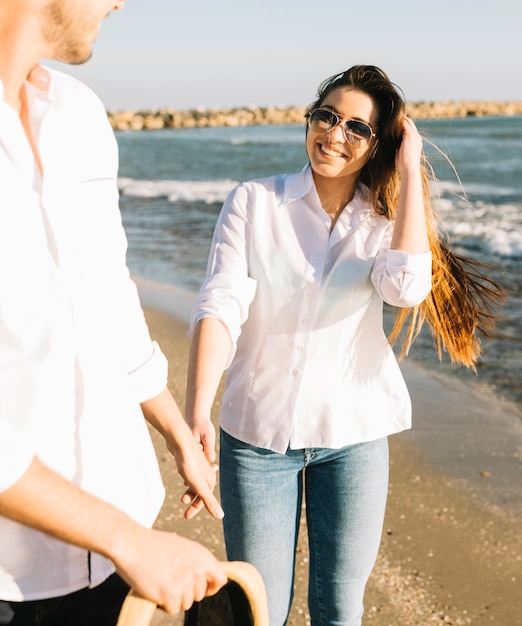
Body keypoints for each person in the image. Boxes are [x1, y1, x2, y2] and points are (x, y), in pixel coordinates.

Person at [0, 1, 228, 624]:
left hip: (112, 562)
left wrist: (176, 431)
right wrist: (128, 540)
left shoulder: (77, 115)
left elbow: (106, 295)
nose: (119, 2)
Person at [184, 65, 504, 626]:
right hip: (257, 438)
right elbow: (220, 304)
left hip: (352, 438)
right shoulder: (255, 202)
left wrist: (408, 168)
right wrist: (196, 415)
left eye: (358, 128)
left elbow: (406, 289)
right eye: (327, 116)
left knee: (339, 609)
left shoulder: (385, 224)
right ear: (309, 119)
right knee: (259, 610)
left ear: (379, 144)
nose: (335, 134)